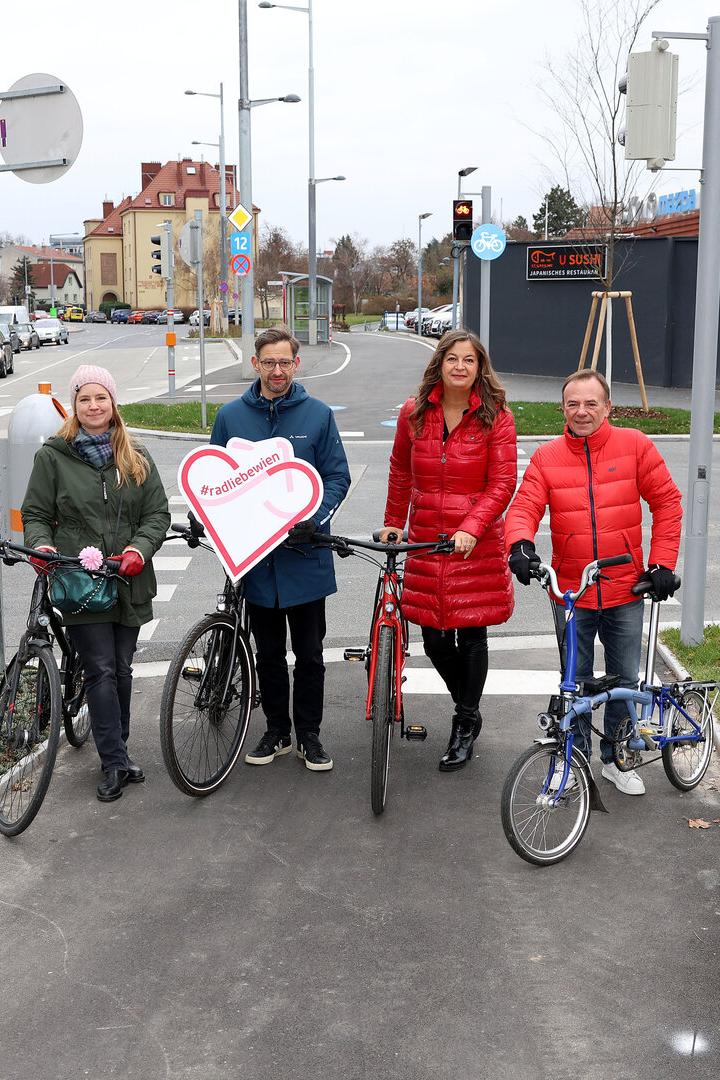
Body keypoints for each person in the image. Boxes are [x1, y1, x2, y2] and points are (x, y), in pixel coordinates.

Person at [505, 369, 682, 796]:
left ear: (607, 407)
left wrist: (661, 563)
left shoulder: (635, 445)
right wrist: (520, 545)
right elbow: (524, 507)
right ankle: (575, 761)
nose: (581, 411)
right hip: (571, 591)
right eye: (573, 404)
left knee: (624, 681)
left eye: (590, 403)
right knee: (575, 683)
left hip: (625, 589)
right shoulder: (547, 457)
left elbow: (667, 502)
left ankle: (617, 759)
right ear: (563, 409)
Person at [21, 365, 170, 802]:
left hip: (127, 579)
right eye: (84, 398)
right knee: (101, 669)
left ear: (112, 401)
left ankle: (118, 747)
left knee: (121, 668)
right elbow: (35, 514)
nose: (93, 406)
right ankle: (113, 762)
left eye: (100, 397)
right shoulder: (54, 456)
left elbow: (157, 514)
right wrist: (41, 545)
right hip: (80, 582)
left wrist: (139, 550)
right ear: (74, 405)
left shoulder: (136, 455)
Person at [210, 326, 350, 772]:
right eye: (268, 362)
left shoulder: (318, 415)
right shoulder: (231, 416)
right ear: (255, 363)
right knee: (267, 654)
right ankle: (277, 731)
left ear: (296, 364)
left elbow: (338, 476)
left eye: (284, 362)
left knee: (309, 655)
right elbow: (213, 479)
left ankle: (309, 734)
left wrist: (315, 518)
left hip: (305, 558)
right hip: (256, 562)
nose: (276, 370)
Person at [379, 329, 517, 771]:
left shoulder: (497, 417)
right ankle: (469, 708)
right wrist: (393, 522)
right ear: (439, 363)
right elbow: (401, 470)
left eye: (469, 360)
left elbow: (502, 483)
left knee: (472, 632)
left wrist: (472, 527)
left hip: (474, 544)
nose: (460, 366)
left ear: (480, 368)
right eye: (452, 358)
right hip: (426, 539)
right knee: (434, 637)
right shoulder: (414, 413)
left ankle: (464, 720)